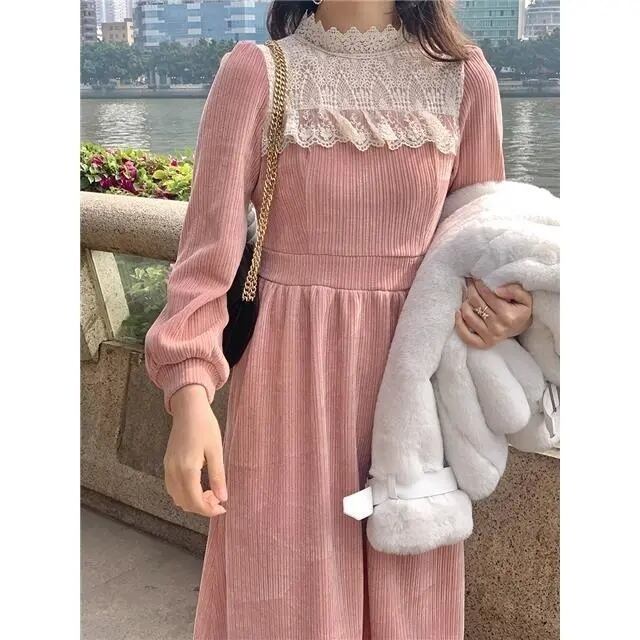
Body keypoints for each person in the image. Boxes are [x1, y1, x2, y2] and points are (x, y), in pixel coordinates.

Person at [144, 1, 533, 638]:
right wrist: (190, 396)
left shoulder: (465, 79)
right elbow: (205, 263)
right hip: (286, 391)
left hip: (414, 389)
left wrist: (505, 310)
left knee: (408, 601)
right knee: (287, 597)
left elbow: (481, 243)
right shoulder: (259, 75)